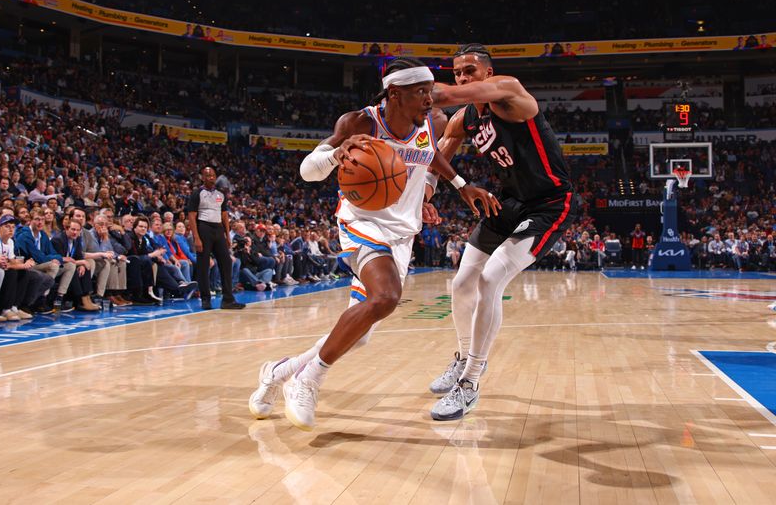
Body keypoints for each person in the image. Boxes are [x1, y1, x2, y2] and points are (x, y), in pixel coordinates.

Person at [248, 57, 498, 430]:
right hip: (361, 223)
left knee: (360, 335)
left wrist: (461, 187)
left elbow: (430, 158)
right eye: (421, 93)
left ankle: (280, 371)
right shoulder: (360, 123)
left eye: (430, 91)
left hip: (401, 233)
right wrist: (336, 153)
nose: (430, 100)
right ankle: (309, 378)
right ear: (394, 94)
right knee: (386, 297)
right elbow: (306, 170)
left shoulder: (434, 121)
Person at [424, 43, 577, 420]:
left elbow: (450, 95)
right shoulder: (465, 120)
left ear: (488, 74)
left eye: (469, 71)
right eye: (457, 71)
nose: (462, 77)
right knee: (461, 284)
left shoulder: (509, 90)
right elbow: (438, 154)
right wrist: (425, 194)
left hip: (549, 204)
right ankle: (463, 358)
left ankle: (471, 382)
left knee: (491, 280)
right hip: (507, 203)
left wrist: (409, 92)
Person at [187, 167, 245, 310]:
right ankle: (205, 299)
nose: (210, 177)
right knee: (203, 265)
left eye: (212, 175)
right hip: (203, 228)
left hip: (218, 229)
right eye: (207, 175)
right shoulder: (197, 193)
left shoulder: (221, 194)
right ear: (202, 177)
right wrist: (196, 237)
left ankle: (228, 300)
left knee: (226, 262)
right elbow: (192, 216)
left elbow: (224, 215)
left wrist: (227, 235)